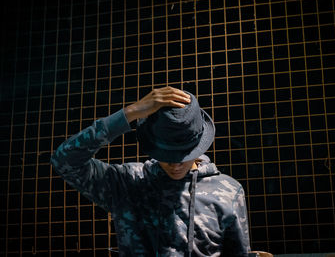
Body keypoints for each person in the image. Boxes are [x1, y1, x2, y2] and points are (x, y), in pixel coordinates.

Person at [51, 86, 250, 256]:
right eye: (167, 155)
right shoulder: (127, 182)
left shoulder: (228, 191)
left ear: (199, 145)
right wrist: (129, 113)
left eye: (183, 155)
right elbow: (65, 160)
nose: (175, 164)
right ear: (154, 146)